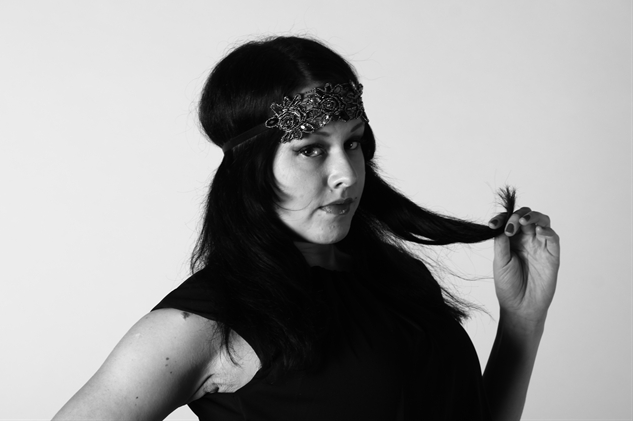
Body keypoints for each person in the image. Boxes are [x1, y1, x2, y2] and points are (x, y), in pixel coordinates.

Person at [53, 36, 560, 421]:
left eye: (353, 143)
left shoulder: (398, 279)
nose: (347, 175)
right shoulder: (206, 323)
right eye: (312, 149)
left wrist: (522, 320)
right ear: (252, 169)